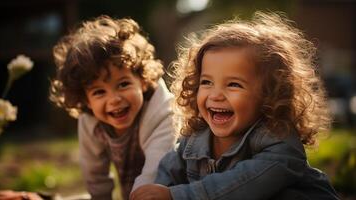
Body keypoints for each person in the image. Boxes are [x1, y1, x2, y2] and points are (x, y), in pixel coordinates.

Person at [130, 11, 340, 200]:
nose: (216, 94)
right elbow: (169, 171)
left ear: (269, 94)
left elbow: (240, 186)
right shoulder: (195, 139)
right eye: (206, 82)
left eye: (233, 84)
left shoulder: (280, 144)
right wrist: (157, 191)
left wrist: (176, 196)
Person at [50, 15, 176, 200]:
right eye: (99, 92)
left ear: (142, 80)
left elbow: (157, 169)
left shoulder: (162, 112)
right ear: (85, 100)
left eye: (123, 84)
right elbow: (94, 173)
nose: (114, 99)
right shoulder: (90, 122)